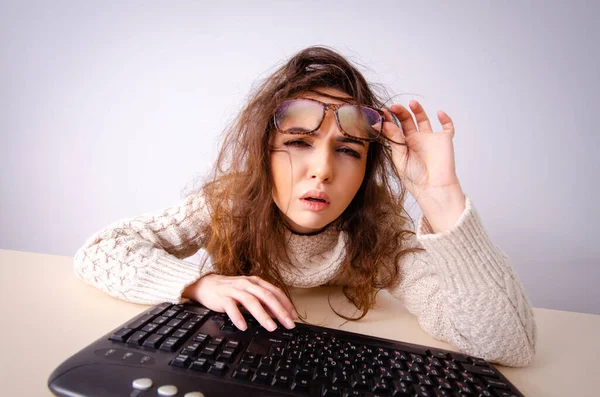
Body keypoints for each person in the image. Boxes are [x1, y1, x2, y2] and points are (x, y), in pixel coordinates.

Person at [73, 46, 536, 367]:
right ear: (263, 152)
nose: (322, 171)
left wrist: (440, 195)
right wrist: (199, 284)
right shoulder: (230, 202)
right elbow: (101, 251)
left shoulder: (379, 227)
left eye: (349, 150)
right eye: (298, 142)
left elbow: (508, 343)